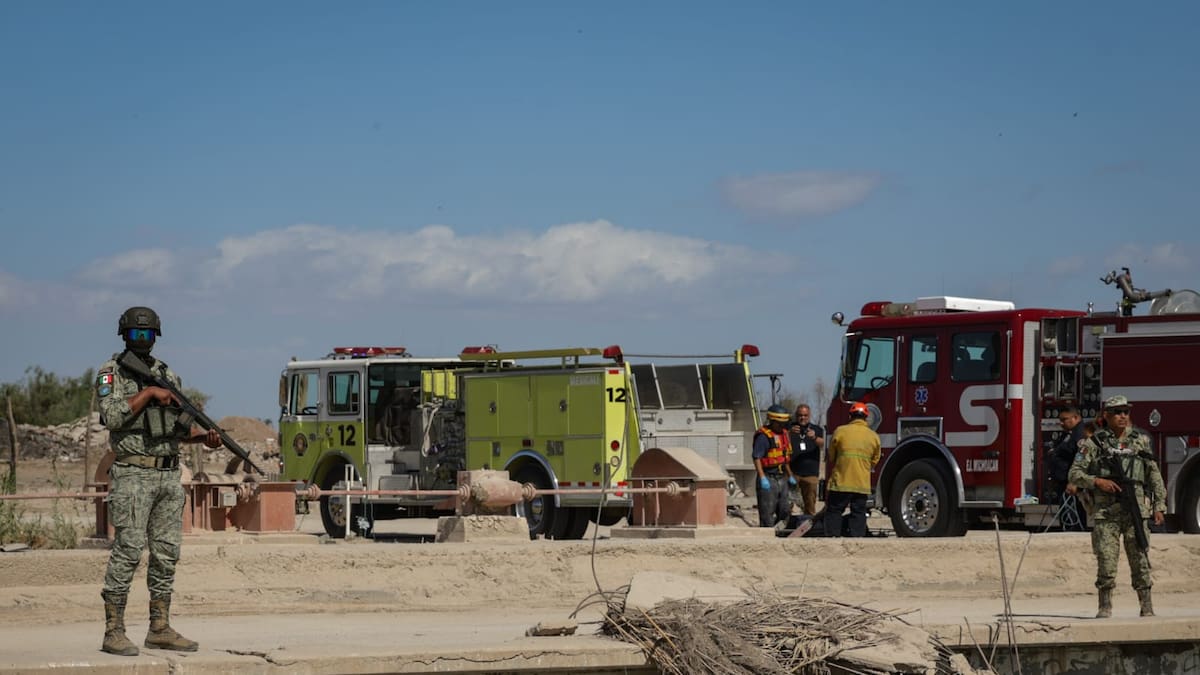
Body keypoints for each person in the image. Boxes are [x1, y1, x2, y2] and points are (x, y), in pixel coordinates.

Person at [96, 307, 222, 655]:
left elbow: (178, 428)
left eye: (147, 335)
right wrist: (149, 394)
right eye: (136, 335)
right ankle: (113, 630)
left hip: (168, 474)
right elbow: (112, 416)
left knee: (167, 553)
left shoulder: (166, 374)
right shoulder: (112, 374)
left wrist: (204, 437)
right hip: (133, 473)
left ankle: (160, 627)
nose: (142, 340)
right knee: (129, 550)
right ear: (123, 335)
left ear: (156, 337)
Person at [1068, 395, 1166, 618]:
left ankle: (1146, 605)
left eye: (1126, 412)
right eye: (1118, 412)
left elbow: (1154, 475)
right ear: (1107, 415)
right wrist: (1097, 481)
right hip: (1106, 511)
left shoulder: (1140, 440)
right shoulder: (1094, 443)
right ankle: (1105, 606)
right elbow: (1075, 473)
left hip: (1135, 510)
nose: (1123, 416)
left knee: (1140, 558)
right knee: (1106, 560)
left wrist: (1159, 505)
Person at [824, 402, 881, 537]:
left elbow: (831, 456)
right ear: (866, 417)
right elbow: (875, 460)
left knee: (834, 511)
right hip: (861, 484)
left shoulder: (840, 431)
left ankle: (832, 538)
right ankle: (858, 539)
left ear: (850, 416)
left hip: (841, 483)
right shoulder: (873, 436)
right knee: (859, 512)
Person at [752, 404, 795, 527]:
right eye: (779, 423)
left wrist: (790, 475)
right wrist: (762, 477)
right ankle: (767, 534)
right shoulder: (764, 436)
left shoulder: (784, 435)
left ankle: (781, 533)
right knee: (767, 510)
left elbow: (785, 458)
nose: (782, 426)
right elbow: (757, 457)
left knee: (784, 509)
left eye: (784, 423)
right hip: (768, 477)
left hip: (782, 477)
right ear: (772, 421)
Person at [787, 404, 825, 517]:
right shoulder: (789, 428)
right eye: (800, 415)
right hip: (792, 473)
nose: (802, 418)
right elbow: (779, 442)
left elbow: (824, 444)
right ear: (796, 415)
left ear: (809, 416)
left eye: (805, 415)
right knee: (787, 503)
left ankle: (808, 523)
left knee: (809, 503)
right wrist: (789, 433)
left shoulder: (817, 429)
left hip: (810, 474)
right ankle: (787, 523)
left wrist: (814, 437)